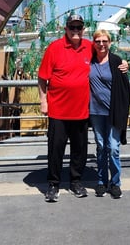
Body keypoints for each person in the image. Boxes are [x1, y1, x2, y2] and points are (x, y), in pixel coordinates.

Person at [38, 14, 94, 203]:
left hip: (81, 111)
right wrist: (43, 101)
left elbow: (106, 56)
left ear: (83, 29)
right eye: (72, 27)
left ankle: (76, 181)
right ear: (66, 29)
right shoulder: (54, 48)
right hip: (58, 111)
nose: (76, 31)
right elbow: (42, 78)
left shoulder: (89, 47)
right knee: (55, 149)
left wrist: (123, 64)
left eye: (79, 27)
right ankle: (53, 184)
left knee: (80, 149)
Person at [89, 29, 130, 199]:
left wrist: (127, 63)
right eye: (98, 41)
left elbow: (125, 88)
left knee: (113, 147)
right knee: (100, 147)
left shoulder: (116, 61)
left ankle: (115, 183)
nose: (101, 44)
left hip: (114, 112)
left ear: (110, 43)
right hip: (95, 112)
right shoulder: (88, 61)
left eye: (104, 41)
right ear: (93, 43)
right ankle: (101, 181)